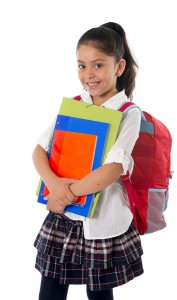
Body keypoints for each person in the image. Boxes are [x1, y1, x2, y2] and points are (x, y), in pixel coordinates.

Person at [32, 22, 144, 300]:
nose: (88, 74)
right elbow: (39, 150)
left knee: (98, 293)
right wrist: (54, 187)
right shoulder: (74, 104)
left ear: (118, 67)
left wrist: (65, 194)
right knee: (51, 289)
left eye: (98, 65)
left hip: (102, 219)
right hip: (64, 216)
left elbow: (113, 169)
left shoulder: (128, 112)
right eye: (82, 66)